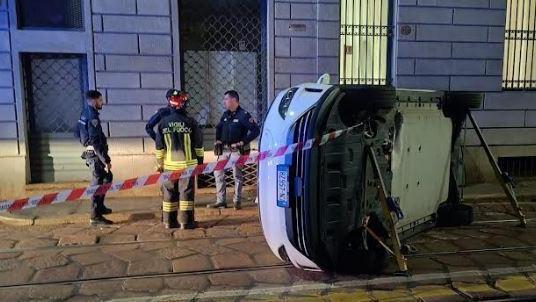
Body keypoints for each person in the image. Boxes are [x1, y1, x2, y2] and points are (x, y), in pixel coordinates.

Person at [155, 90, 204, 229]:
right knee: (186, 193)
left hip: (169, 166)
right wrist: (200, 163)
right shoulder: (190, 122)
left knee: (169, 194)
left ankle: (168, 222)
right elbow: (198, 145)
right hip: (188, 166)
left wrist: (160, 164)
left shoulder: (163, 123)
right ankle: (186, 222)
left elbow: (159, 147)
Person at [208, 90, 260, 210]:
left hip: (237, 151)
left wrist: (243, 142)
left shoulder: (244, 115)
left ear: (233, 100)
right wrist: (218, 140)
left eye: (226, 99)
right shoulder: (225, 115)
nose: (224, 102)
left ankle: (237, 201)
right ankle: (221, 201)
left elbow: (255, 130)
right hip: (224, 150)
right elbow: (219, 127)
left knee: (237, 175)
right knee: (218, 173)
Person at [76, 90, 113, 226]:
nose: (102, 102)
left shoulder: (85, 112)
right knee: (97, 185)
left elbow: (77, 132)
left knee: (107, 178)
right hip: (96, 155)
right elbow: (95, 141)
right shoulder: (92, 116)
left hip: (93, 153)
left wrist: (85, 144)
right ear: (93, 100)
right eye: (100, 100)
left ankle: (100, 207)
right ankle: (94, 216)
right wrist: (106, 160)